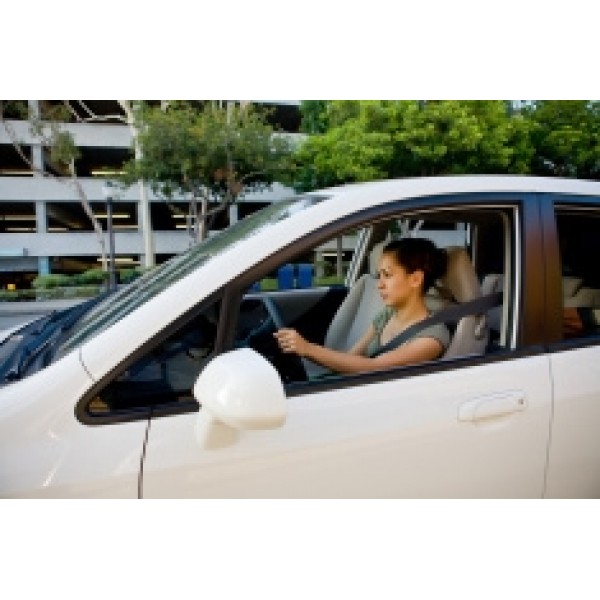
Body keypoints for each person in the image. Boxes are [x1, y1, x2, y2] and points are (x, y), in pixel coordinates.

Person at [273, 238, 450, 375]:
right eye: (379, 275)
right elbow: (353, 357)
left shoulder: (431, 339)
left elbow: (373, 368)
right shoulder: (388, 314)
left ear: (415, 279)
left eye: (387, 275)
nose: (379, 284)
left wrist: (308, 349)